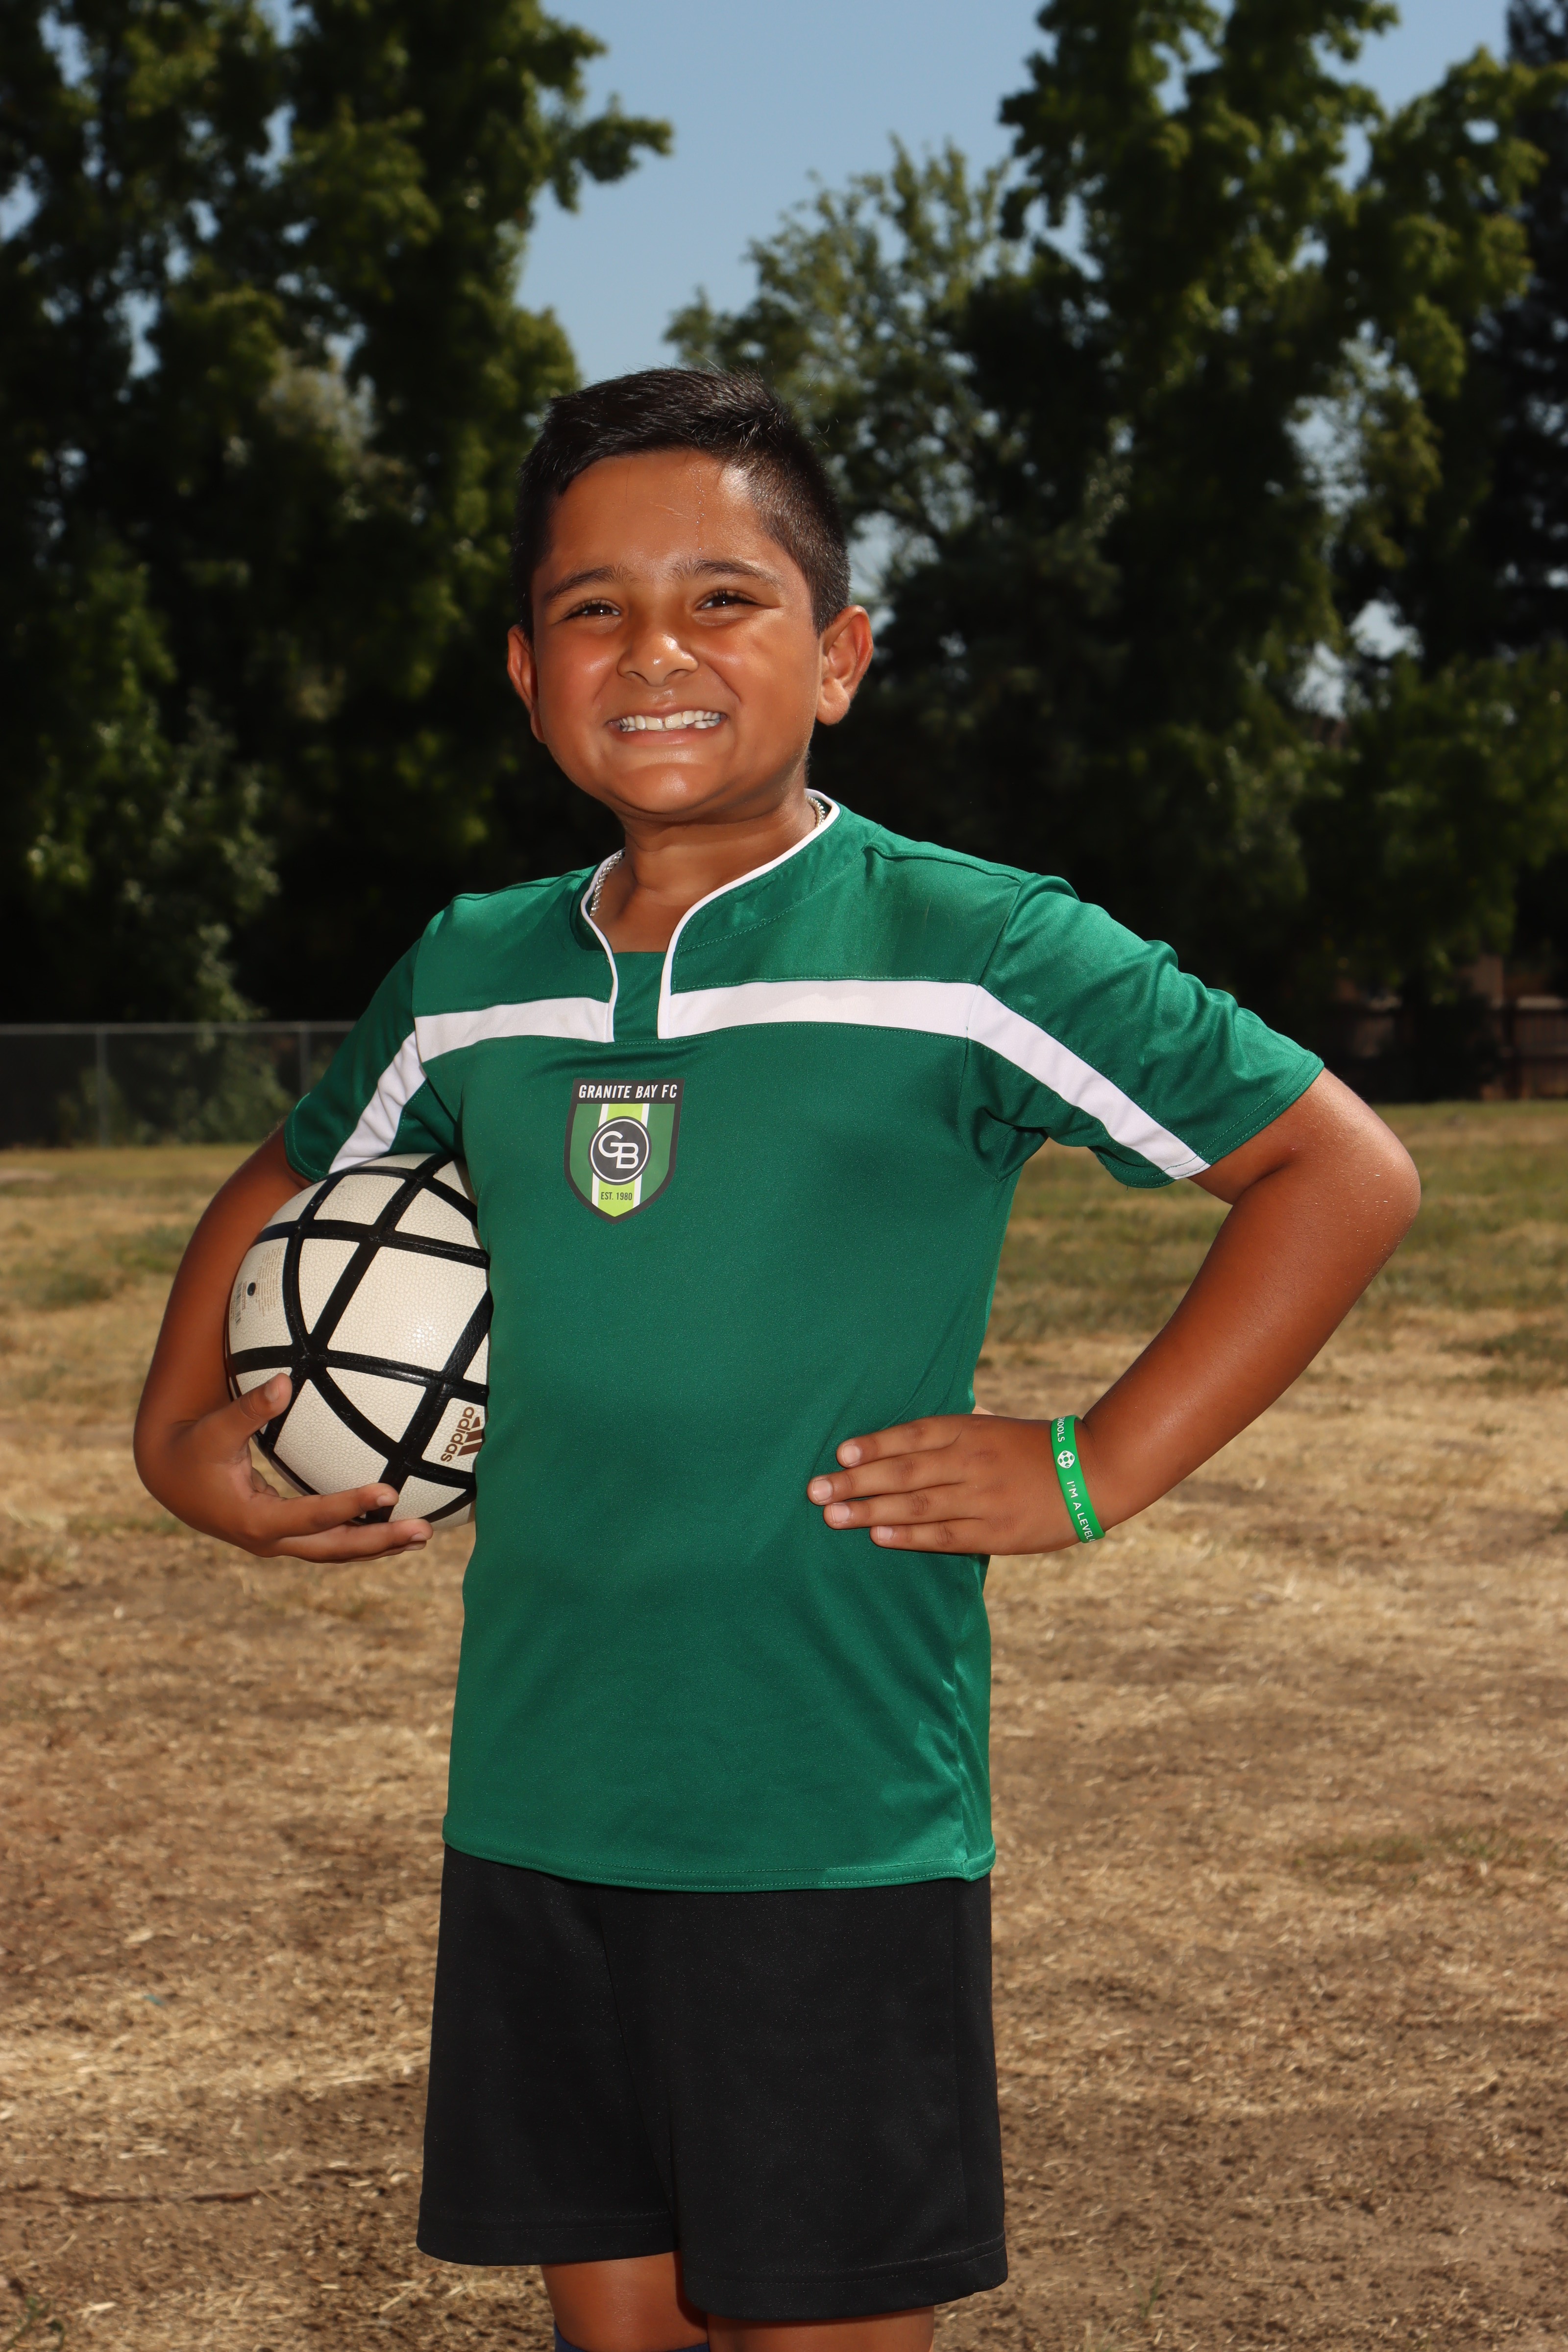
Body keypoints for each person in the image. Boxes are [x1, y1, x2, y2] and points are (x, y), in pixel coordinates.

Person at [134, 369, 1420, 2352]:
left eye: (722, 599)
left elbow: (1334, 1171)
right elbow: (290, 1179)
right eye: (592, 608)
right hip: (541, 1801)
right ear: (526, 673)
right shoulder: (471, 972)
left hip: (827, 1817)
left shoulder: (969, 945)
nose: (654, 649)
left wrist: (1091, 1465)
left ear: (837, 658)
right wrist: (174, 1440)